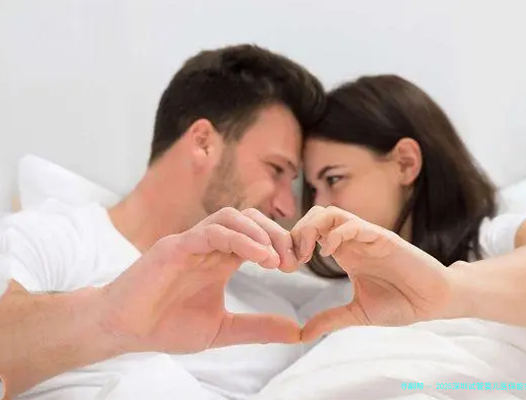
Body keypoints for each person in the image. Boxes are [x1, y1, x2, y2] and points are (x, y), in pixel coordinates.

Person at [0, 44, 327, 400]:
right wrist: (108, 320)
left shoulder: (274, 321)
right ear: (203, 142)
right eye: (276, 169)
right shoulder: (49, 239)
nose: (286, 206)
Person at [293, 74, 526, 341]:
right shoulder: (329, 305)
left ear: (405, 163)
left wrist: (445, 289)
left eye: (334, 179)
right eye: (313, 189)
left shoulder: (496, 241)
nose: (319, 205)